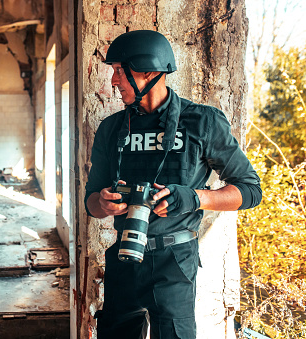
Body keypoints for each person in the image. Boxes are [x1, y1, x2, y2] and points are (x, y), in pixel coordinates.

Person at [85, 30, 262, 339]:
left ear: (149, 72)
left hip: (175, 260)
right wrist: (102, 203)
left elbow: (249, 190)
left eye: (118, 71)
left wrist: (194, 198)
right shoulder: (111, 129)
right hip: (124, 254)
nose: (113, 81)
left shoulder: (203, 122)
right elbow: (90, 201)